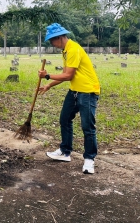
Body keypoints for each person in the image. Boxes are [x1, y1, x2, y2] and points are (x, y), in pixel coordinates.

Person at [38, 23, 100, 175]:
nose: (52, 44)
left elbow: (68, 76)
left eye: (52, 41)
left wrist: (46, 76)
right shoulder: (66, 51)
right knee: (65, 119)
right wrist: (49, 85)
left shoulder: (73, 49)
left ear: (58, 38)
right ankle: (65, 152)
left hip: (88, 92)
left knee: (87, 126)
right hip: (74, 91)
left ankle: (89, 159)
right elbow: (65, 75)